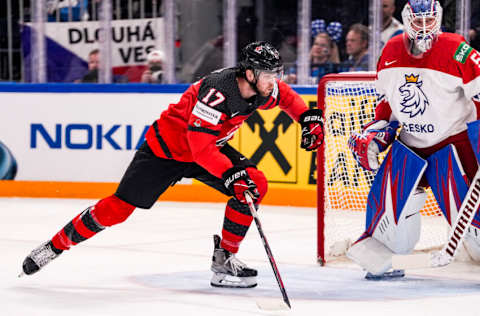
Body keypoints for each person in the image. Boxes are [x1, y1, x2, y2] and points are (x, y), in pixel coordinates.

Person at [20, 41, 324, 288]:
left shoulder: (260, 89)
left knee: (254, 185)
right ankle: (55, 245)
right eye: (269, 75)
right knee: (117, 209)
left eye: (276, 74)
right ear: (248, 73)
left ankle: (224, 260)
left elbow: (286, 98)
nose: (276, 82)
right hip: (165, 152)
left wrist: (307, 119)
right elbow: (199, 147)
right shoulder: (217, 92)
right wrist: (231, 174)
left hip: (206, 149)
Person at [346, 0, 480, 279]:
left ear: (439, 19)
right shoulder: (392, 49)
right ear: (406, 20)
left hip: (453, 144)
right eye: (417, 22)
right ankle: (385, 258)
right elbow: (387, 101)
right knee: (388, 230)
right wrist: (376, 131)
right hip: (410, 146)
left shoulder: (459, 49)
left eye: (428, 21)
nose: (423, 28)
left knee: (475, 233)